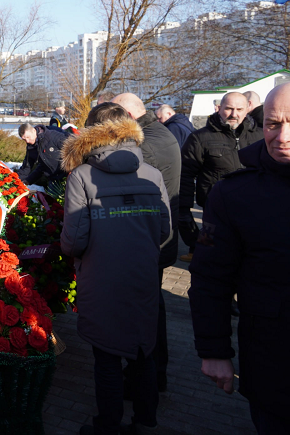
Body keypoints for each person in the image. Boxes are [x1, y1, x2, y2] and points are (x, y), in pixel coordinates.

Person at [60, 102, 171, 435]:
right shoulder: (151, 174)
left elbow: (74, 240)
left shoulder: (82, 176)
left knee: (106, 358)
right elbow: (164, 229)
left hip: (101, 279)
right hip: (143, 279)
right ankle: (146, 422)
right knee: (142, 353)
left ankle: (107, 425)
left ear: (91, 133)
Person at [188, 83, 290, 435]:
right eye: (274, 124)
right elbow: (209, 278)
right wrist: (214, 349)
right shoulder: (235, 194)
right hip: (275, 365)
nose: (282, 136)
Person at [113, 93, 181, 393]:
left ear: (127, 115)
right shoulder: (158, 132)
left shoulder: (145, 145)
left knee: (145, 315)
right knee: (152, 310)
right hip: (158, 240)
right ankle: (152, 375)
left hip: (148, 243)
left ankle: (146, 380)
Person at [177, 92, 263, 262]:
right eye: (229, 108)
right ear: (219, 108)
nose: (234, 114)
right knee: (208, 258)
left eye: (239, 109)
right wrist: (184, 209)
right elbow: (185, 174)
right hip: (213, 213)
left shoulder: (260, 136)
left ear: (247, 109)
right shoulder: (200, 137)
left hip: (254, 210)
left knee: (250, 259)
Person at [19, 122, 68, 186]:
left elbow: (73, 149)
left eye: (28, 137)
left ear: (33, 131)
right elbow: (27, 167)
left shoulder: (52, 136)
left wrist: (72, 171)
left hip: (67, 175)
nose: (27, 141)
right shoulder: (31, 148)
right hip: (53, 179)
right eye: (24, 139)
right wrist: (19, 182)